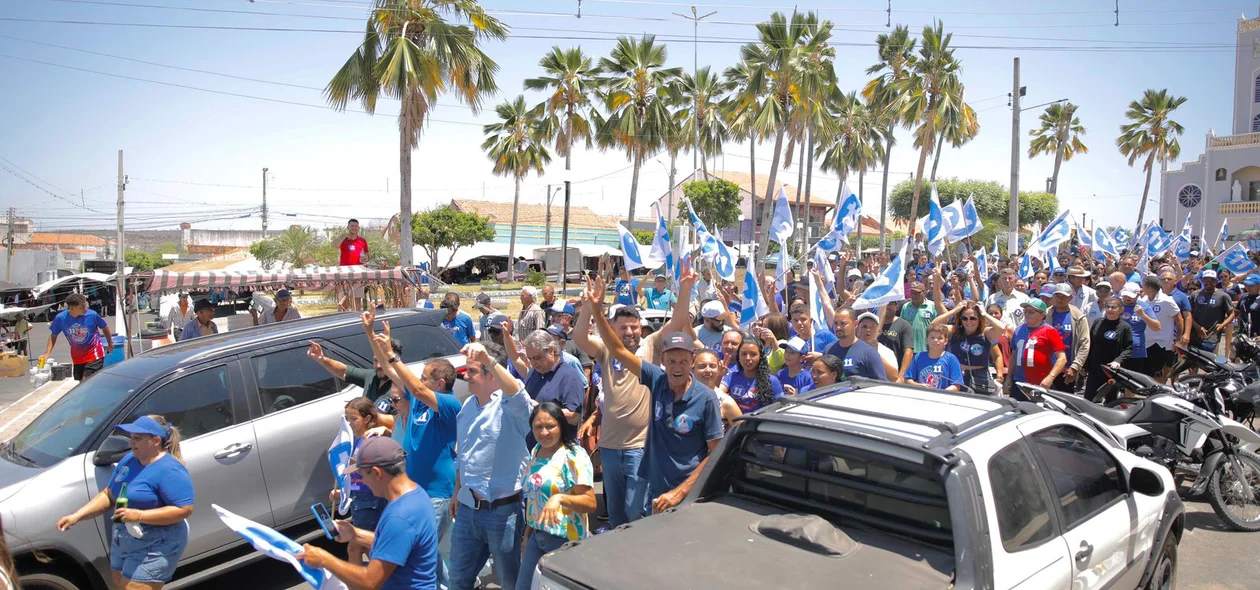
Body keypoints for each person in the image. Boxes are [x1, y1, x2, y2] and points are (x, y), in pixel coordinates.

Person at [587, 274, 722, 516]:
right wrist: (596, 310)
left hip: (688, 494)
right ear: (662, 360)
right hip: (655, 486)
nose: (677, 367)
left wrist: (681, 491)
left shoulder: (706, 398)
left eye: (683, 361)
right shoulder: (656, 380)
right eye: (671, 361)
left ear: (693, 362)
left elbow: (715, 452)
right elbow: (617, 350)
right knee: (632, 525)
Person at [363, 312, 459, 588]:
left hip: (437, 493)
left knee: (424, 554)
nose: (420, 381)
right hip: (417, 492)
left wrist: (394, 354)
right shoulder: (417, 402)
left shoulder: (449, 405)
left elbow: (413, 386)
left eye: (426, 378)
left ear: (439, 383)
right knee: (429, 555)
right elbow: (389, 370)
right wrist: (372, 336)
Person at [57, 415, 194, 590]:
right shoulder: (129, 460)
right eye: (131, 437)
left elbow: (184, 509)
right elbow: (109, 495)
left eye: (137, 438)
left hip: (157, 543)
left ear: (155, 441)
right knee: (119, 585)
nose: (131, 442)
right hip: (124, 538)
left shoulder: (170, 470)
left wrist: (140, 515)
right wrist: (77, 516)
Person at [299, 436, 439, 590]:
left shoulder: (399, 517)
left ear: (377, 473)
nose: (363, 481)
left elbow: (370, 582)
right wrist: (355, 534)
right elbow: (395, 543)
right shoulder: (416, 495)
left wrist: (324, 559)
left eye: (362, 475)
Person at [448, 342, 532, 590]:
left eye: (472, 371)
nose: (466, 376)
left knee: (510, 580)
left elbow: (517, 393)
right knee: (458, 580)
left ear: (491, 375)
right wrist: (457, 491)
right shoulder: (467, 407)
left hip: (503, 512)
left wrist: (488, 358)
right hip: (467, 509)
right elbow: (464, 454)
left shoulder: (510, 407)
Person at [516, 402, 597, 590]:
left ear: (561, 425)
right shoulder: (536, 451)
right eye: (538, 427)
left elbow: (591, 502)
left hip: (565, 541)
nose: (544, 432)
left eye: (550, 426)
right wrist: (527, 535)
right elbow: (535, 498)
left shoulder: (573, 455)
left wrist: (560, 498)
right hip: (537, 537)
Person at [331, 398, 387, 565]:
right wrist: (342, 491)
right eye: (347, 419)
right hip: (358, 498)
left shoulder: (371, 439)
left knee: (363, 546)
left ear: (368, 419)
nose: (350, 423)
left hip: (368, 500)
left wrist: (352, 464)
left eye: (354, 419)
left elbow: (371, 469)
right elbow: (353, 478)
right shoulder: (352, 440)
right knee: (359, 547)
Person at [309, 338, 403, 419]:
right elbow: (344, 371)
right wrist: (322, 359)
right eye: (375, 360)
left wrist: (362, 412)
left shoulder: (403, 386)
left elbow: (400, 420)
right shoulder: (372, 376)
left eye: (382, 360)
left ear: (395, 360)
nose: (378, 365)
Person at [931, 301, 1004, 395]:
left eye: (973, 318)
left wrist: (984, 314)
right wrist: (954, 311)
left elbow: (1002, 329)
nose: (969, 322)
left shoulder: (985, 333)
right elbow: (932, 326)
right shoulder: (955, 331)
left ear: (979, 319)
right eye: (964, 318)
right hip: (956, 375)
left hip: (980, 377)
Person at [42, 293, 114, 381]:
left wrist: (110, 344)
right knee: (82, 384)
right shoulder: (61, 318)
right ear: (72, 308)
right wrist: (47, 354)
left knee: (85, 382)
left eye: (86, 305)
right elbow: (53, 335)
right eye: (83, 307)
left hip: (95, 354)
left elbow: (105, 327)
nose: (86, 308)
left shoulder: (92, 315)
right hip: (77, 357)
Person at [1006, 299, 1067, 401]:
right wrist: (1008, 377)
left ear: (1042, 315)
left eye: (1031, 312)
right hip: (1019, 382)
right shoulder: (1019, 329)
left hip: (1039, 384)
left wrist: (1050, 377)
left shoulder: (1050, 331)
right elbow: (1014, 355)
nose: (1027, 314)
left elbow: (1062, 358)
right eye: (1025, 311)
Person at [718, 332, 786, 413]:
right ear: (738, 357)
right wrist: (719, 376)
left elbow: (781, 408)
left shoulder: (771, 380)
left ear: (760, 357)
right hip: (735, 423)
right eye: (743, 354)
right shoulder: (731, 377)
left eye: (753, 354)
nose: (748, 358)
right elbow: (717, 395)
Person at [1084, 297, 1135, 402]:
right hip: (1095, 367)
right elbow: (1090, 344)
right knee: (1088, 398)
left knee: (1111, 399)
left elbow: (1128, 348)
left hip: (1111, 370)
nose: (1110, 310)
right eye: (1108, 307)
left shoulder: (1125, 327)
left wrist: (1118, 361)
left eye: (1114, 307)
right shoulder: (1098, 322)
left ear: (1121, 310)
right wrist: (1085, 364)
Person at [1047, 283, 1090, 393]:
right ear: (1053, 296)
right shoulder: (1045, 315)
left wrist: (1075, 366)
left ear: (1071, 297)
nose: (1060, 299)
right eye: (1058, 295)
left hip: (1067, 369)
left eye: (1064, 296)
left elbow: (1084, 343)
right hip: (1047, 367)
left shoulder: (1078, 317)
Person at [822, 309, 888, 381]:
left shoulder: (868, 353)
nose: (838, 327)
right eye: (835, 323)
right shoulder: (828, 350)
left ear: (855, 324)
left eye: (843, 323)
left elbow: (881, 384)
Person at [1140, 275, 1181, 382]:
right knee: (1148, 372)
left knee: (1159, 373)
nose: (1141, 288)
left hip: (1162, 342)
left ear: (1149, 288)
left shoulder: (1166, 301)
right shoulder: (1144, 299)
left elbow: (1179, 319)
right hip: (1147, 342)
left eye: (1143, 286)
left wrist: (1178, 339)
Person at [693, 349, 742, 430]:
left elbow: (742, 434)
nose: (708, 370)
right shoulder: (682, 395)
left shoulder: (726, 402)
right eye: (702, 366)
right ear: (692, 369)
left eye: (712, 366)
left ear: (718, 369)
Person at [1189, 269, 1236, 354]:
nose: (1208, 282)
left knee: (1209, 364)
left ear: (1216, 281)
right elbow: (1188, 314)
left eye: (1212, 280)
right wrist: (1197, 327)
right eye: (1206, 280)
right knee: (1192, 364)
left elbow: (1232, 314)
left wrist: (1222, 325)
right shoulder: (1195, 294)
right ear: (1202, 280)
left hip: (1211, 337)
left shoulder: (1223, 296)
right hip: (1194, 335)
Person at [906, 324, 964, 391]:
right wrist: (919, 386)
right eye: (932, 337)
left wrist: (940, 394)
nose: (936, 340)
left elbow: (956, 385)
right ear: (926, 340)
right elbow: (907, 379)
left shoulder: (951, 359)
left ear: (946, 341)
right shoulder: (919, 356)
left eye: (940, 338)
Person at [855, 313, 902, 384]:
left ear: (879, 331)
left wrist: (875, 354)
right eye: (864, 327)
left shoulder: (887, 352)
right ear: (857, 330)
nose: (868, 330)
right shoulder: (851, 349)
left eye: (872, 327)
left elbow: (894, 377)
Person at [338, 219, 370, 312]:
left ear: (358, 228)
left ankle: (357, 318)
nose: (354, 228)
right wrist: (343, 236)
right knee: (344, 298)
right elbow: (334, 245)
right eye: (352, 226)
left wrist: (365, 258)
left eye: (356, 226)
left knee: (357, 298)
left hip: (358, 272)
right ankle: (341, 319)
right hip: (344, 272)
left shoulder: (362, 241)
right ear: (348, 227)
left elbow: (367, 255)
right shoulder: (343, 240)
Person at [879, 303, 915, 380]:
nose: (887, 306)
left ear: (896, 307)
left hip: (893, 375)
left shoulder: (904, 325)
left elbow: (908, 352)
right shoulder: (872, 325)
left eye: (890, 304)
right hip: (874, 373)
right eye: (885, 303)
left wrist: (901, 376)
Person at [899, 281, 938, 353]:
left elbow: (936, 328)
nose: (914, 295)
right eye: (912, 293)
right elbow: (901, 327)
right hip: (909, 349)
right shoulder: (906, 307)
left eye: (917, 293)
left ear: (924, 293)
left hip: (926, 349)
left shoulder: (932, 306)